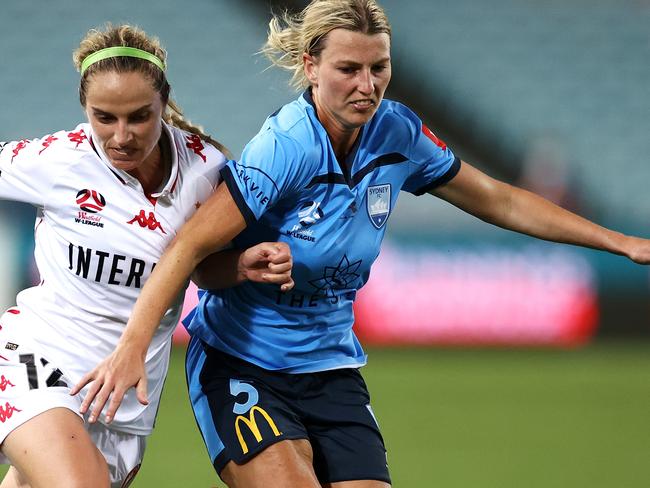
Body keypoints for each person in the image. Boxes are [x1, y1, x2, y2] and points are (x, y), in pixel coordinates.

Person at [74, 2, 650, 487]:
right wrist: (132, 349)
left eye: (380, 67)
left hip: (332, 369)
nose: (367, 85)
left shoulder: (396, 132)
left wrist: (620, 242)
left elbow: (498, 198)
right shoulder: (285, 148)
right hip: (243, 365)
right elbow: (191, 252)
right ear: (311, 67)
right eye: (349, 69)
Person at [0, 24, 294, 488]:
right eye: (104, 118)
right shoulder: (57, 160)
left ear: (164, 102)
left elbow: (198, 269)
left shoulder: (207, 170)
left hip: (124, 399)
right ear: (84, 108)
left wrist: (238, 266)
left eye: (139, 117)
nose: (121, 136)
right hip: (40, 355)